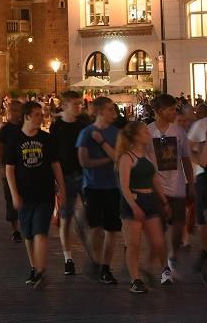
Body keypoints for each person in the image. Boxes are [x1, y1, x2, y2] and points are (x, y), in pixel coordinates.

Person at [5, 100, 66, 288]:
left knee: (40, 232)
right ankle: (34, 268)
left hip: (44, 193)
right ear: (27, 116)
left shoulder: (46, 139)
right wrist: (15, 195)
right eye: (38, 115)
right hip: (25, 195)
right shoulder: (15, 139)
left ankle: (40, 270)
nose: (41, 118)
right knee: (29, 235)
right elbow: (10, 170)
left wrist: (62, 189)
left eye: (42, 114)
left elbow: (56, 165)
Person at [116, 120, 170, 293]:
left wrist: (164, 201)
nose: (148, 134)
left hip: (149, 199)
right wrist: (134, 206)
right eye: (144, 132)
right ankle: (135, 279)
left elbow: (155, 179)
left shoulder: (147, 155)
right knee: (133, 244)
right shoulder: (127, 157)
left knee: (158, 241)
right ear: (136, 136)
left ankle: (161, 269)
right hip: (134, 201)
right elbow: (124, 185)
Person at [145, 92, 194, 282]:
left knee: (177, 227)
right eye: (171, 109)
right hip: (156, 188)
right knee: (158, 229)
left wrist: (190, 183)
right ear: (159, 111)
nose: (175, 112)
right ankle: (164, 266)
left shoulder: (178, 132)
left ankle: (172, 256)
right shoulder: (148, 132)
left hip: (177, 186)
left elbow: (186, 160)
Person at [77, 95, 121, 285]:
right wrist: (108, 158)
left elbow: (119, 158)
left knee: (112, 229)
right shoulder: (86, 133)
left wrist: (103, 145)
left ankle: (105, 267)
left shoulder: (116, 133)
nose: (114, 113)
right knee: (95, 228)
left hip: (113, 186)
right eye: (111, 109)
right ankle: (95, 260)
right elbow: (84, 162)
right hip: (93, 186)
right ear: (101, 111)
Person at [50, 89, 87, 275]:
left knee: (88, 216)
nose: (79, 107)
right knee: (66, 217)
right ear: (64, 106)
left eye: (80, 103)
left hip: (84, 174)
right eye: (75, 104)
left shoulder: (83, 124)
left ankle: (92, 253)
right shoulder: (57, 127)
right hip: (65, 176)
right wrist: (57, 182)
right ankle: (68, 257)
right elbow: (54, 156)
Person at [0, 99, 23, 242]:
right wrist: (3, 167)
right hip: (10, 169)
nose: (15, 113)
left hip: (24, 169)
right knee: (11, 199)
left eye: (17, 110)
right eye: (12, 110)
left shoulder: (25, 127)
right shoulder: (5, 130)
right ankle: (15, 230)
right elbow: (0, 149)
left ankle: (25, 224)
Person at [188, 104, 207, 275]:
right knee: (201, 214)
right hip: (204, 174)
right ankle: (203, 250)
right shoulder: (200, 126)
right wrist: (199, 160)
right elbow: (189, 146)